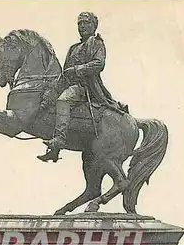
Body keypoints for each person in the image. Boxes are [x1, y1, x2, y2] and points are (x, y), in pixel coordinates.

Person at [37, 11, 129, 163]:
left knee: (63, 101)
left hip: (84, 87)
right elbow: (65, 73)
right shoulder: (73, 48)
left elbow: (99, 64)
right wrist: (50, 92)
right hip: (69, 85)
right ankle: (53, 151)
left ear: (94, 25)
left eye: (86, 23)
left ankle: (59, 140)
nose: (82, 26)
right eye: (79, 23)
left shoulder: (96, 43)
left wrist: (77, 70)